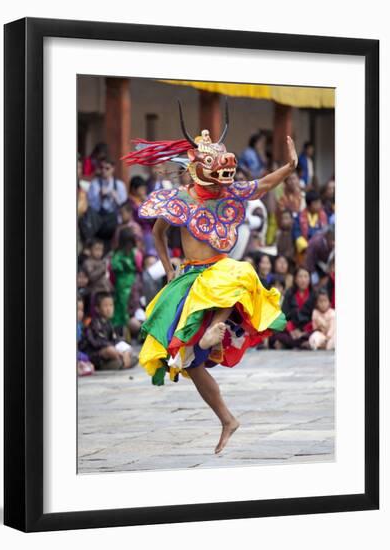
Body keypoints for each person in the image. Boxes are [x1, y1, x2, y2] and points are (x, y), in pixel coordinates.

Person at [121, 99, 297, 454]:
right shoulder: (180, 199)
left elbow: (262, 184)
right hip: (190, 277)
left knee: (239, 274)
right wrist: (170, 270)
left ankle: (215, 329)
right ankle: (227, 419)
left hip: (218, 270)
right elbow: (158, 234)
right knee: (187, 362)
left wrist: (290, 167)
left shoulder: (228, 192)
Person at [80, 292, 138, 370]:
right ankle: (117, 363)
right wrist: (116, 351)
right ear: (97, 308)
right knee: (110, 351)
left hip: (112, 353)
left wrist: (125, 352)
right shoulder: (94, 324)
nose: (109, 309)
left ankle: (121, 362)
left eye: (111, 305)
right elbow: (98, 343)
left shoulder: (108, 323)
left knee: (132, 354)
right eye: (105, 306)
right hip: (96, 354)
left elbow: (116, 340)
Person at [269, 267, 316, 350]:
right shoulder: (289, 293)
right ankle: (301, 344)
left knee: (315, 335)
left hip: (307, 330)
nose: (303, 280)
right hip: (291, 330)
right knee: (274, 334)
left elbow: (316, 317)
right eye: (300, 277)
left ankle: (291, 344)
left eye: (306, 276)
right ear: (295, 279)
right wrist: (292, 331)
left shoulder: (314, 294)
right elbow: (285, 315)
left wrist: (303, 332)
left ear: (309, 279)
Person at [110, 227, 143, 333]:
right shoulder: (117, 255)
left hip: (133, 284)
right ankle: (122, 332)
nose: (129, 245)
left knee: (132, 306)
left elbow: (139, 267)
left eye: (130, 242)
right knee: (121, 307)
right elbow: (114, 267)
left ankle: (131, 331)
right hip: (121, 285)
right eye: (127, 242)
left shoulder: (135, 253)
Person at [86, 159, 128, 241]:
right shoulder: (94, 184)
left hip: (114, 222)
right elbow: (91, 206)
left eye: (107, 168)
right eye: (101, 168)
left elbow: (125, 207)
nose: (104, 171)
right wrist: (100, 197)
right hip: (98, 223)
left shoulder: (120, 185)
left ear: (113, 169)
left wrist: (116, 198)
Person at [293, 190, 328, 257]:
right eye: (316, 203)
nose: (319, 205)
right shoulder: (299, 218)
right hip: (305, 251)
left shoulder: (324, 216)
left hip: (321, 251)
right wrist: (308, 248)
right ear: (308, 205)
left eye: (319, 202)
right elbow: (297, 235)